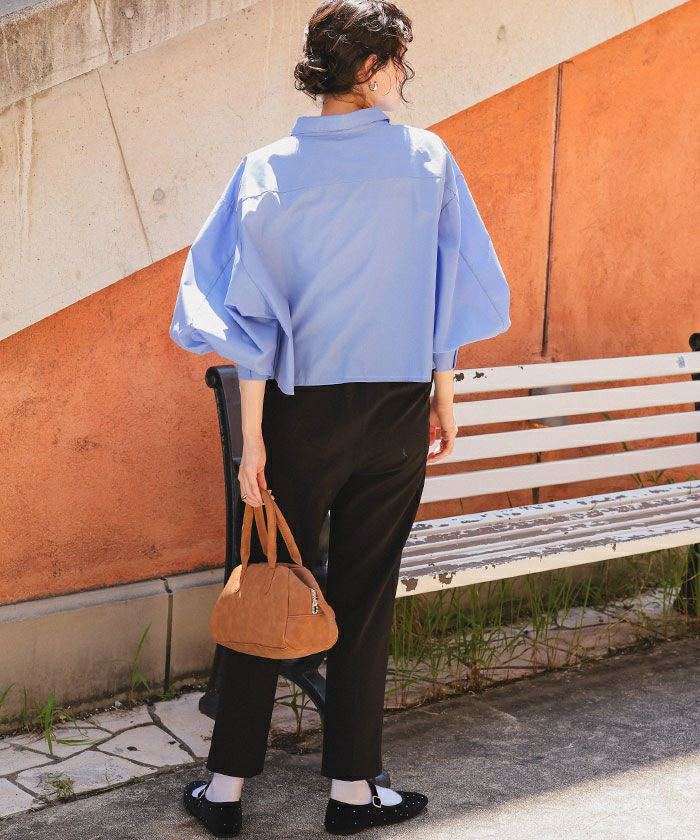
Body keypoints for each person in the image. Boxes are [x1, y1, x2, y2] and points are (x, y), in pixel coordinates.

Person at [170, 1, 510, 835]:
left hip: (299, 412)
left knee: (265, 578)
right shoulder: (427, 158)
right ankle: (354, 792)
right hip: (395, 408)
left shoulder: (265, 170)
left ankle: (225, 790)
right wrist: (444, 390)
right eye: (398, 61)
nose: (403, 76)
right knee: (366, 596)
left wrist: (251, 439)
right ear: (368, 67)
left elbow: (249, 315)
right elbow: (449, 282)